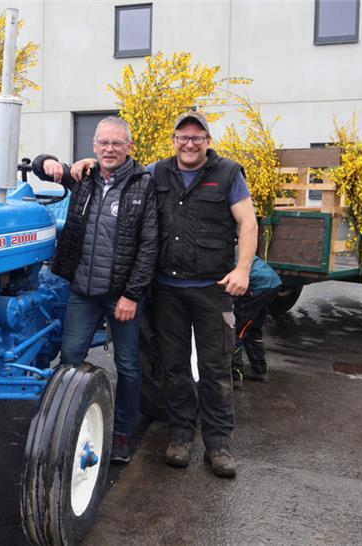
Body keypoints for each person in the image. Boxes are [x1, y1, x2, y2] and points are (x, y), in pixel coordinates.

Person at [72, 111, 257, 477]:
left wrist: (243, 270)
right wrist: (92, 163)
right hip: (168, 290)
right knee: (173, 367)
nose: (189, 144)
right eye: (183, 137)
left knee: (215, 367)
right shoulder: (157, 172)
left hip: (211, 289)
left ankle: (219, 446)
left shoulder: (228, 174)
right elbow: (117, 166)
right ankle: (181, 437)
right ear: (173, 140)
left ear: (207, 140)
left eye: (197, 137)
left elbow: (248, 221)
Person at [31, 116, 158, 464]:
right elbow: (41, 168)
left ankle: (120, 433)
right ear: (94, 146)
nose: (109, 149)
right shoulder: (84, 178)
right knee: (70, 358)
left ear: (129, 147)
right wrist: (49, 162)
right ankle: (73, 423)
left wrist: (132, 295)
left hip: (122, 295)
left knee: (128, 365)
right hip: (83, 290)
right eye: (103, 143)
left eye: (117, 143)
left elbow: (149, 245)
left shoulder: (143, 184)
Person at [231, 256, 282, 390]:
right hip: (273, 284)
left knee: (237, 331)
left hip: (258, 287)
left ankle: (235, 376)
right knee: (253, 328)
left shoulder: (221, 253)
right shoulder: (238, 248)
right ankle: (260, 370)